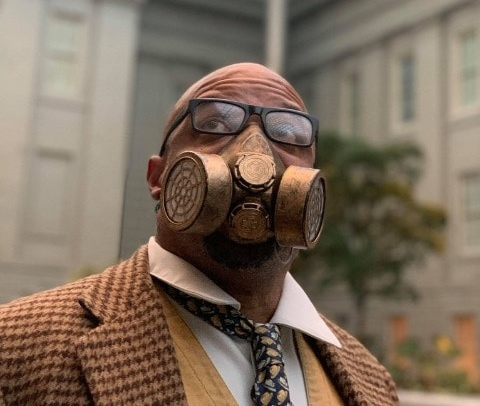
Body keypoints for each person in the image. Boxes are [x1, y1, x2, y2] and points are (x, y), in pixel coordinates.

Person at [0, 63, 398, 406]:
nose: (255, 153)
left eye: (289, 133)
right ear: (158, 177)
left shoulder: (371, 380)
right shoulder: (18, 346)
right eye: (215, 124)